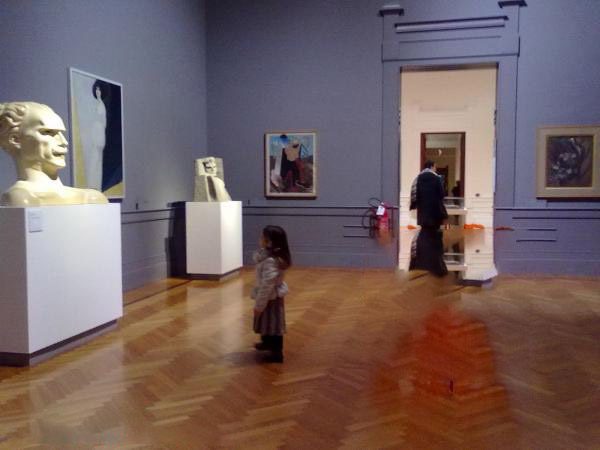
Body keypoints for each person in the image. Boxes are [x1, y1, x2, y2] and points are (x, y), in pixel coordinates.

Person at [0, 101, 107, 206]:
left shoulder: (90, 197)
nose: (64, 142)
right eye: (48, 132)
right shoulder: (19, 198)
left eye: (61, 133)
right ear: (15, 139)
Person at [251, 225, 291, 363]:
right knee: (265, 322)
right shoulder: (267, 256)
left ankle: (276, 353)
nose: (260, 239)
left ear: (269, 241)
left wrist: (259, 305)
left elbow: (267, 285)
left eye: (263, 237)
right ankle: (267, 342)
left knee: (274, 325)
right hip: (269, 296)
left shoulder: (270, 261)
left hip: (271, 298)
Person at [409, 160, 448, 276]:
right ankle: (436, 268)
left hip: (423, 215)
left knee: (424, 236)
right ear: (432, 166)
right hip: (435, 215)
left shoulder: (418, 178)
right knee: (435, 239)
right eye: (435, 167)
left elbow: (415, 196)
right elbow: (441, 194)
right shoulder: (437, 178)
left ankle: (422, 265)